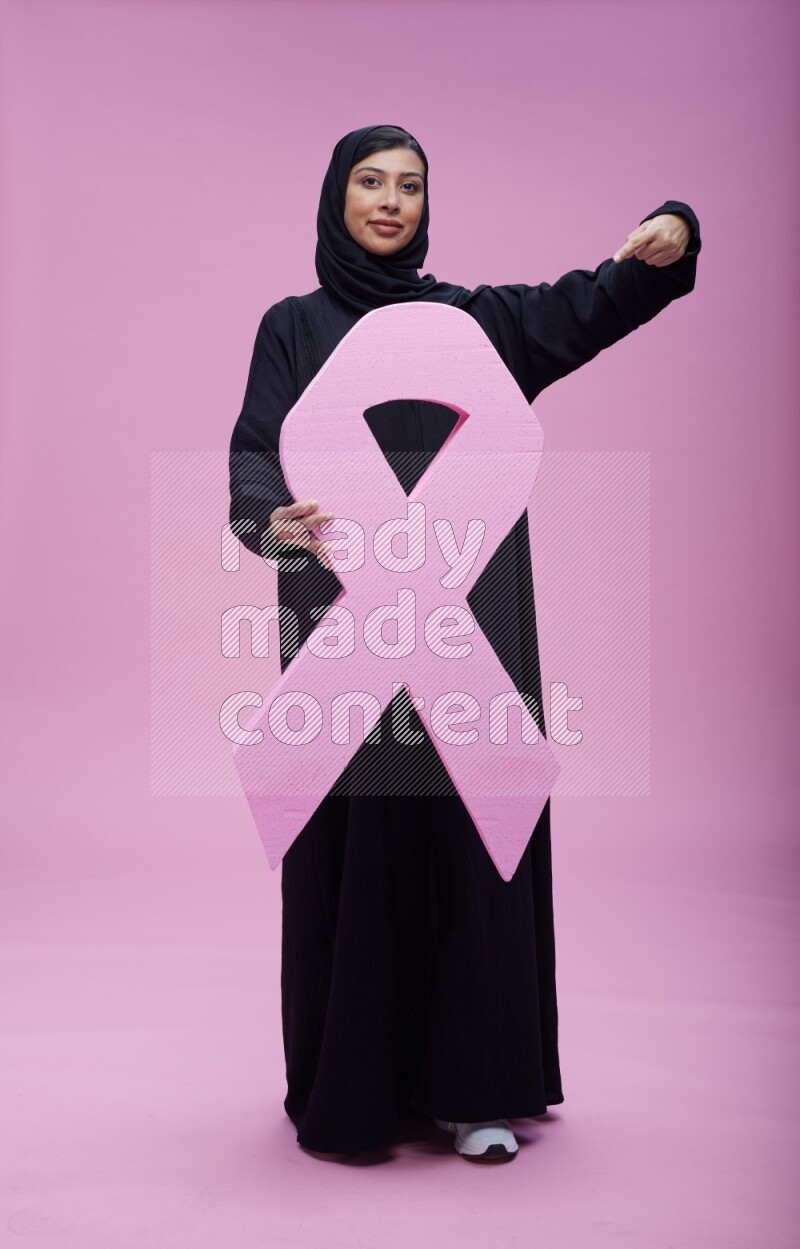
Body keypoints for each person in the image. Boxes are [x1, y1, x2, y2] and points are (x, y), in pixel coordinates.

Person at [228, 124, 702, 1162]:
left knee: (472, 832)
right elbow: (257, 451)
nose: (389, 201)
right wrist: (269, 518)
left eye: (408, 185)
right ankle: (352, 1087)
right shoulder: (293, 328)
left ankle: (476, 1088)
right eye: (369, 182)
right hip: (342, 625)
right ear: (335, 196)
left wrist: (662, 240)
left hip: (466, 627)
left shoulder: (473, 322)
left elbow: (588, 303)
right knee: (354, 841)